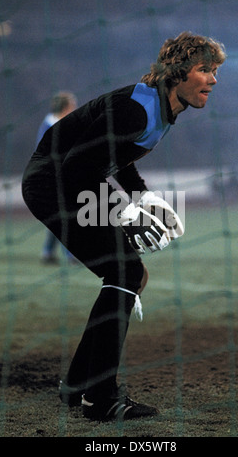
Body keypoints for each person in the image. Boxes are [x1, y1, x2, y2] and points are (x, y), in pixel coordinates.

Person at [22, 31, 226, 421]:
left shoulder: (160, 107)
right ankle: (99, 399)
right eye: (204, 70)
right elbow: (79, 165)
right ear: (178, 72)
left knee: (130, 274)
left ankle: (80, 384)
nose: (213, 80)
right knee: (126, 271)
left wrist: (142, 196)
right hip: (53, 184)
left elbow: (114, 155)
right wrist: (126, 211)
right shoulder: (137, 109)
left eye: (214, 71)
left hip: (65, 181)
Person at [36, 91, 78, 264]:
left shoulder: (67, 123)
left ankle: (47, 252)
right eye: (72, 105)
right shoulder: (49, 125)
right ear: (66, 107)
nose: (75, 107)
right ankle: (70, 255)